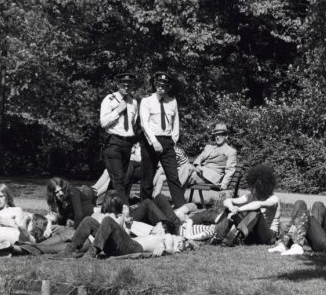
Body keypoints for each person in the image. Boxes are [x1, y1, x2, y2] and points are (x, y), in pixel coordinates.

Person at [139, 72, 186, 208]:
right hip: (150, 142)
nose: (161, 88)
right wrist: (154, 142)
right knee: (147, 179)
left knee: (173, 177)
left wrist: (174, 139)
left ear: (168, 87)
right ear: (155, 85)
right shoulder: (146, 101)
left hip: (167, 141)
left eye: (164, 86)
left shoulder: (172, 101)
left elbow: (176, 122)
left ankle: (181, 208)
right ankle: (145, 208)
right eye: (159, 85)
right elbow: (144, 124)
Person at [209, 164, 280, 246]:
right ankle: (217, 237)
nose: (251, 189)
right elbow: (227, 200)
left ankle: (234, 238)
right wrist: (231, 207)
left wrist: (238, 209)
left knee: (256, 211)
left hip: (269, 236)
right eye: (251, 186)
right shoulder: (250, 196)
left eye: (254, 187)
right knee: (229, 209)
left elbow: (258, 204)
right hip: (251, 234)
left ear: (262, 187)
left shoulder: (274, 199)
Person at [100, 73, 139, 208]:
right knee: (118, 179)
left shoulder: (133, 102)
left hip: (127, 144)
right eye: (123, 84)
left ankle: (106, 207)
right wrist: (117, 111)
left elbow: (133, 123)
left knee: (118, 179)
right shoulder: (109, 100)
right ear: (118, 85)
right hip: (113, 143)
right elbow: (103, 122)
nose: (126, 87)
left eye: (129, 84)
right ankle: (124, 207)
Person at [0, 184, 47, 248]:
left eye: (1, 196)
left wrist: (10, 224)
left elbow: (22, 231)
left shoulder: (16, 210)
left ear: (7, 197)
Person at [188, 123, 237, 190]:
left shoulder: (230, 151)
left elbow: (230, 170)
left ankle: (177, 197)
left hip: (210, 178)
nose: (217, 137)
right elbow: (199, 158)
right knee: (182, 169)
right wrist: (197, 166)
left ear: (226, 136)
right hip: (199, 172)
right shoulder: (209, 147)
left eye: (220, 135)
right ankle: (178, 198)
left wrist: (224, 184)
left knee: (180, 176)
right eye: (216, 135)